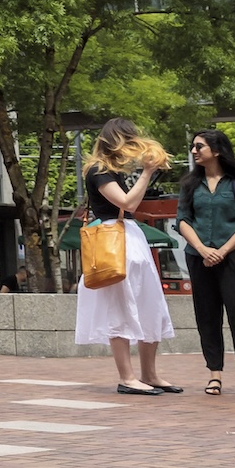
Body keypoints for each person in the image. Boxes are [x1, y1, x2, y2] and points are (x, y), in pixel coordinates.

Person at [75, 117, 178, 394]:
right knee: (119, 309)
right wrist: (145, 173)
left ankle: (149, 374)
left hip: (129, 237)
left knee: (150, 305)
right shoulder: (98, 170)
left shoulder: (111, 171)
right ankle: (127, 377)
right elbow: (127, 203)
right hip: (114, 238)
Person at [175, 127, 235, 399]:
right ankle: (215, 374)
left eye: (199, 146)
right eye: (193, 146)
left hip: (234, 257)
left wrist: (223, 250)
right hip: (199, 258)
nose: (193, 151)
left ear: (216, 150)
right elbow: (182, 221)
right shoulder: (190, 185)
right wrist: (203, 249)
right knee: (207, 317)